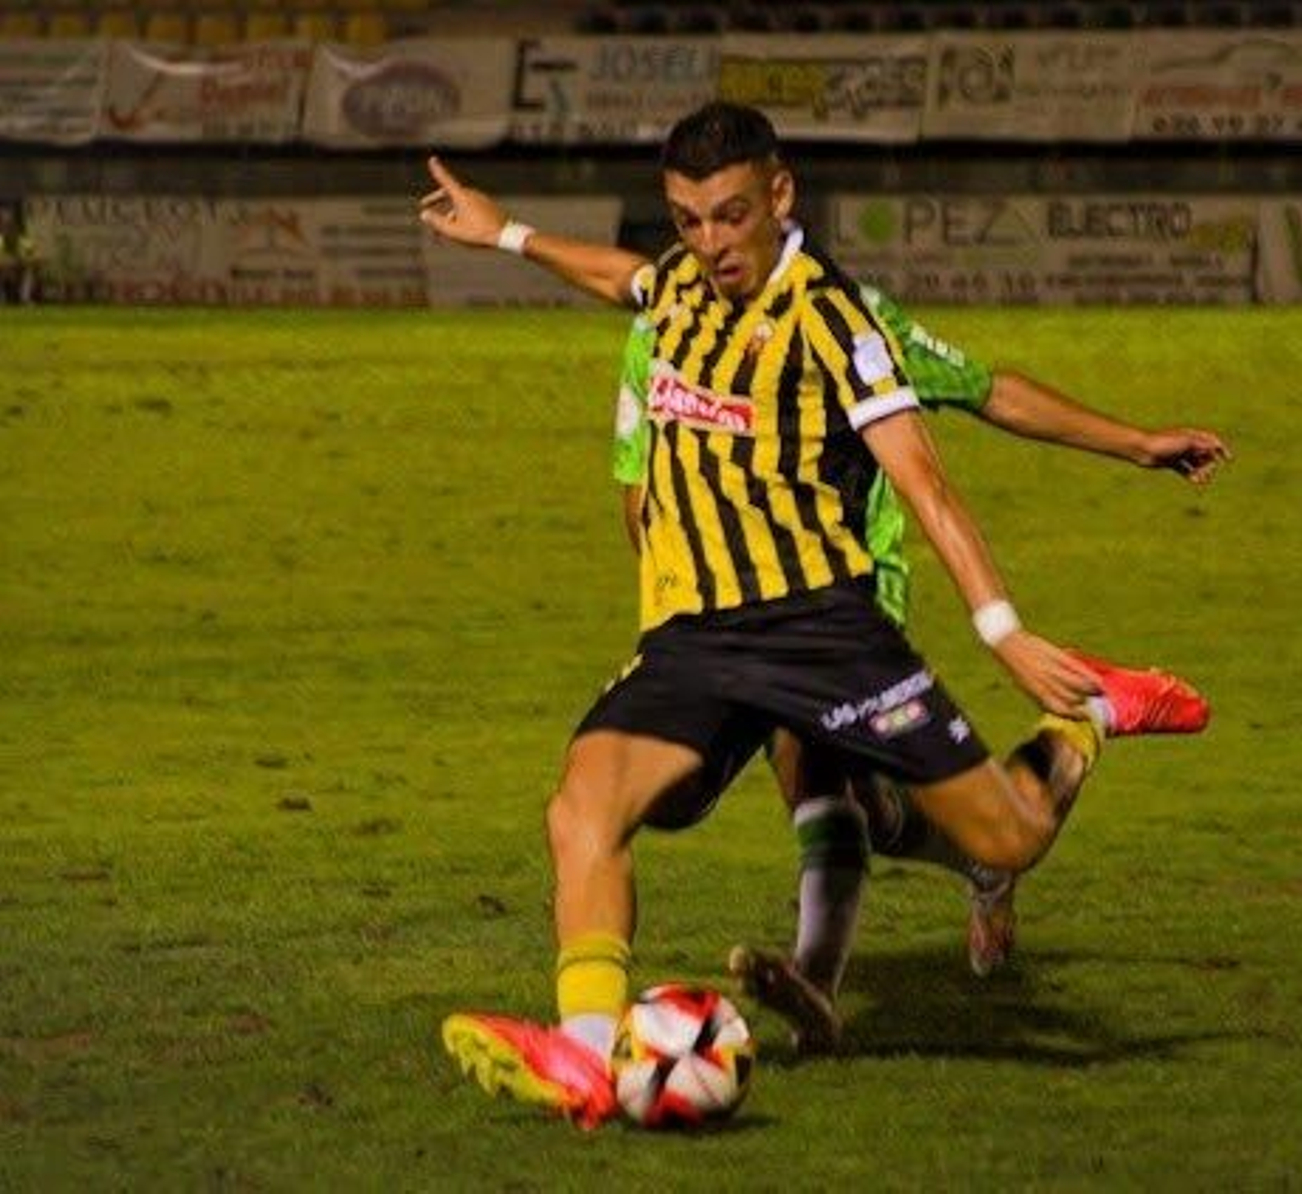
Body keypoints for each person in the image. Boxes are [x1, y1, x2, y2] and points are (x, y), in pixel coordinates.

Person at [421, 102, 1208, 1129]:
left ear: (780, 195)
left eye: (728, 217)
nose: (709, 244)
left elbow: (925, 483)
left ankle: (1089, 719)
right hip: (698, 637)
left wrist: (1002, 629)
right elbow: (627, 278)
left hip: (825, 632)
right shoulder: (680, 287)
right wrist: (509, 236)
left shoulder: (836, 321)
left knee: (1003, 840)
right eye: (688, 218)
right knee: (583, 809)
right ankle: (581, 1055)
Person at [609, 299, 1229, 1047]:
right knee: (810, 805)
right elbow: (638, 492)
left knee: (810, 761)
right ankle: (980, 864)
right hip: (720, 614)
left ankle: (815, 979)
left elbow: (985, 389)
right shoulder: (660, 325)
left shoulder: (844, 314)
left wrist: (1135, 444)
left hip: (844, 599)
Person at [0, 205, 39, 306]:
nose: (8, 229)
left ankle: (25, 299)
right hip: (3, 272)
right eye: (5, 226)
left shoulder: (25, 242)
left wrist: (23, 261)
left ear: (16, 227)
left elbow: (36, 257)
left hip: (18, 272)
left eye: (10, 226)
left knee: (29, 271)